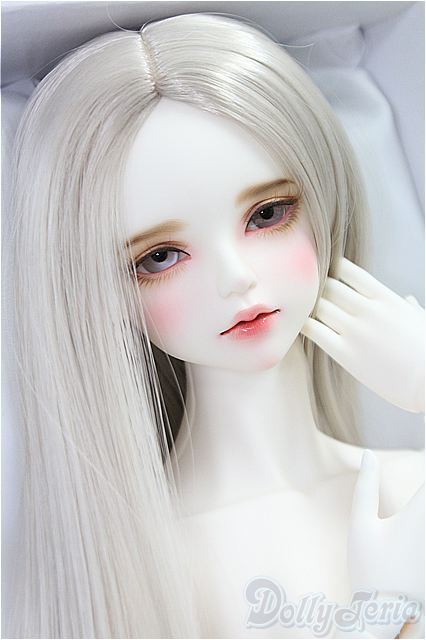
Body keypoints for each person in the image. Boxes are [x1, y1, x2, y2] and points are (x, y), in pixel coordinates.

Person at [5, 12, 424, 639]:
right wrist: (384, 613)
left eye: (267, 215)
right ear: (101, 295)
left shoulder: (410, 482)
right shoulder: (130, 572)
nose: (235, 278)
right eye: (159, 257)